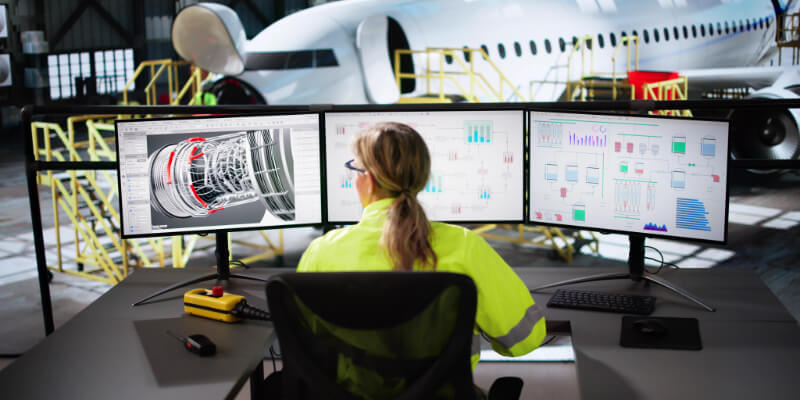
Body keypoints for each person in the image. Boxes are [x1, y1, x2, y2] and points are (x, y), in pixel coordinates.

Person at [297, 121, 546, 370]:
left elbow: (302, 342)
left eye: (354, 168)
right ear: (422, 178)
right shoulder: (465, 246)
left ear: (369, 180)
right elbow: (524, 340)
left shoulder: (321, 252)